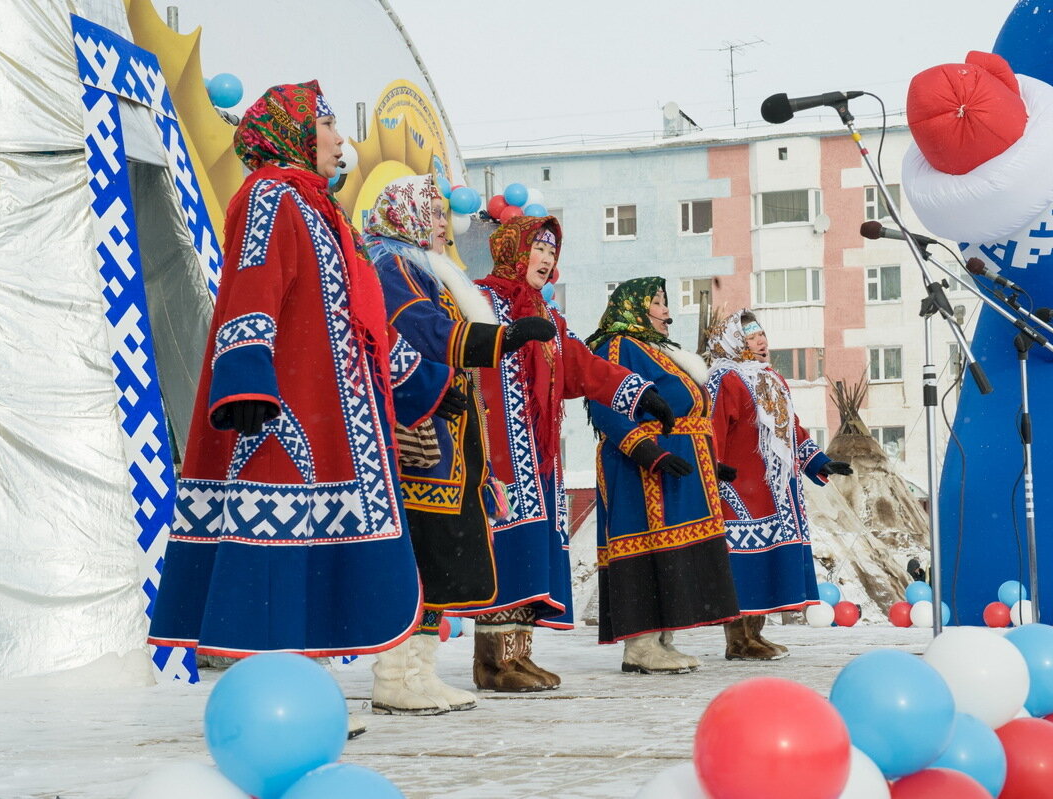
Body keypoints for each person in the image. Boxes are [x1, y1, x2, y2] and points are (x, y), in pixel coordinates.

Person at [147, 83, 453, 683]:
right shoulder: (269, 196)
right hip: (282, 407)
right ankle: (273, 687)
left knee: (309, 547)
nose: (342, 141)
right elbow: (251, 284)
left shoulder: (319, 209)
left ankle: (301, 681)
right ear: (296, 132)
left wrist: (427, 382)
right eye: (330, 126)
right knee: (277, 538)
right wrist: (244, 382)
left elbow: (353, 319)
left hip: (330, 411)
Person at [364, 175, 556, 713]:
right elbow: (419, 331)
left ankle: (419, 673)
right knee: (424, 553)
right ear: (404, 214)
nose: (443, 225)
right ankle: (394, 676)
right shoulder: (392, 266)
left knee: (440, 554)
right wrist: (503, 339)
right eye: (433, 213)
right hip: (419, 435)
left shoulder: (425, 268)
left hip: (447, 433)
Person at [469, 216, 676, 691]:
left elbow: (581, 366)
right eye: (537, 249)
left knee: (531, 550)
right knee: (507, 547)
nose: (545, 259)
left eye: (550, 252)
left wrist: (638, 393)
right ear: (513, 251)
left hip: (539, 452)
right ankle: (492, 661)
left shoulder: (547, 313)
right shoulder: (479, 300)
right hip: (498, 449)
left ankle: (518, 655)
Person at [585, 278, 741, 673]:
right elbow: (606, 406)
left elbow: (689, 411)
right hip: (638, 469)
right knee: (646, 545)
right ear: (633, 307)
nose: (666, 311)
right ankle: (640, 645)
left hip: (678, 469)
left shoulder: (658, 351)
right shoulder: (617, 346)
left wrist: (709, 461)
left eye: (665, 302)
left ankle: (663, 638)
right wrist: (648, 451)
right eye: (656, 302)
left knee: (674, 551)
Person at [706, 309, 852, 659]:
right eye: (751, 336)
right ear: (734, 342)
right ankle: (738, 640)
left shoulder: (771, 379)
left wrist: (821, 461)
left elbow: (793, 430)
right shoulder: (723, 379)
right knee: (744, 565)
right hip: (739, 489)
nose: (761, 341)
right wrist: (714, 467)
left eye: (762, 334)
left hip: (776, 491)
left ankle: (755, 633)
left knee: (768, 563)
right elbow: (709, 428)